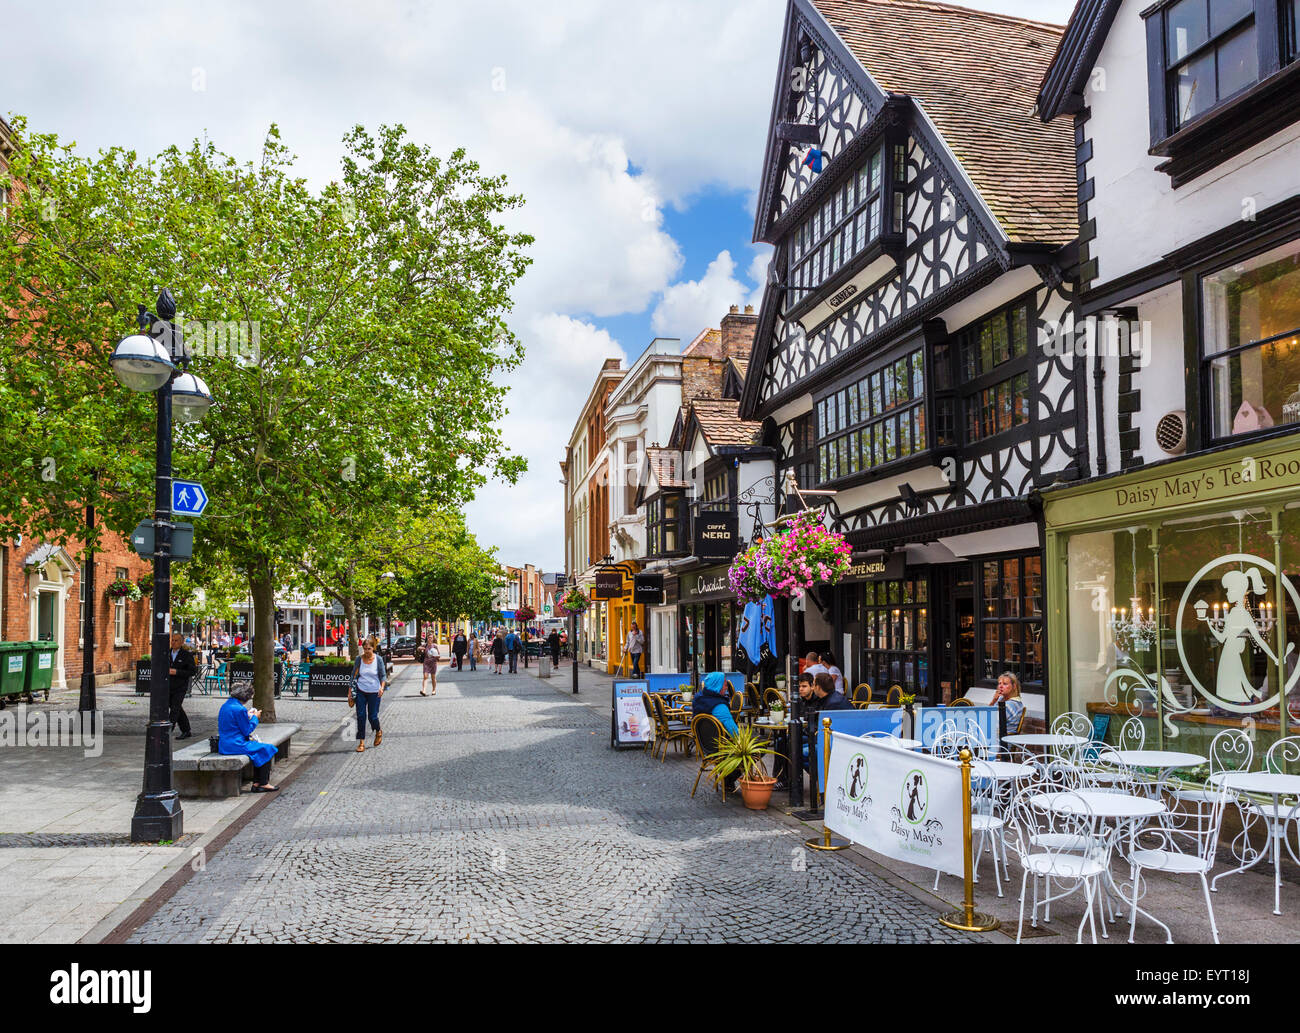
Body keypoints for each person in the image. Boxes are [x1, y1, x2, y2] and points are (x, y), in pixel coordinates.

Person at [217, 681, 279, 792]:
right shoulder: (239, 709)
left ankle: (257, 783)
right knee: (267, 748)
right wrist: (255, 717)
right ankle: (263, 783)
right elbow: (246, 730)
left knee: (258, 750)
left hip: (225, 744)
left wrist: (247, 716)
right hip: (235, 745)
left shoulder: (226, 705)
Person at [692, 672, 741, 791]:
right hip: (721, 749)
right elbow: (735, 733)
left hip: (705, 747)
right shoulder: (719, 706)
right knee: (757, 749)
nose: (726, 687)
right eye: (724, 684)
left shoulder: (698, 699)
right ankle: (729, 778)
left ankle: (728, 778)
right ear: (717, 686)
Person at [351, 638, 388, 752]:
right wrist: (349, 693)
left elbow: (383, 676)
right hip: (361, 690)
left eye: (369, 648)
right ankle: (361, 742)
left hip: (374, 692)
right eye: (365, 648)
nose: (367, 651)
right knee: (361, 716)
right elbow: (353, 676)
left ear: (373, 648)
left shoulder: (378, 660)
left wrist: (381, 688)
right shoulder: (359, 659)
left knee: (373, 717)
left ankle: (378, 731)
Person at [166, 632, 197, 740]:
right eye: (172, 640)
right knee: (177, 708)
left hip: (180, 686)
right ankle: (186, 730)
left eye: (176, 640)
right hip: (168, 686)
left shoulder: (186, 655)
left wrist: (177, 672)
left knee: (175, 708)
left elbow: (192, 671)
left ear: (182, 642)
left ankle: (168, 730)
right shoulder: (166, 653)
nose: (173, 642)